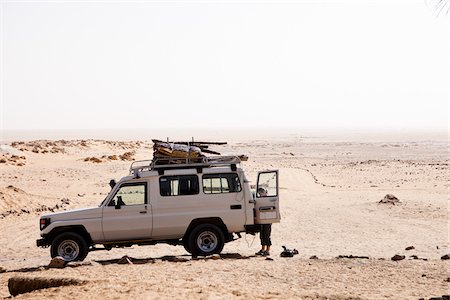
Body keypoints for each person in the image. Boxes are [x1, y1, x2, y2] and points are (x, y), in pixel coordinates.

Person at [255, 187, 272, 256]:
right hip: (262, 219)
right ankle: (263, 249)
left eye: (262, 192)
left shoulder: (269, 199)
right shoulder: (260, 200)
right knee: (262, 235)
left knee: (267, 235)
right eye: (260, 193)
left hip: (268, 219)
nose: (261, 194)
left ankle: (267, 250)